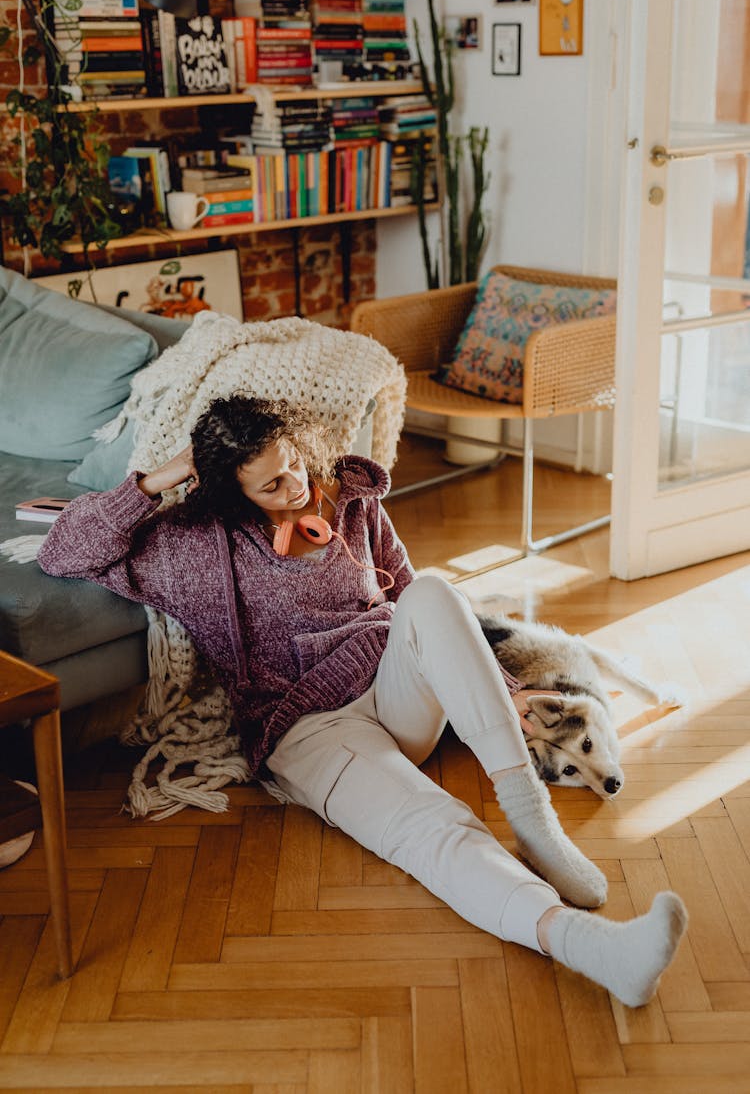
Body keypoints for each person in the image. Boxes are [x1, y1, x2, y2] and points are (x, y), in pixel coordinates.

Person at [38, 395, 688, 1008]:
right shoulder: (193, 546)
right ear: (231, 495)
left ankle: (533, 821)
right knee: (433, 825)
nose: (296, 486)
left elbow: (411, 597)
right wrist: (160, 478)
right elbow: (64, 550)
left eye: (293, 463)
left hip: (394, 692)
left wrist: (502, 687)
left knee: (433, 590)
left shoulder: (350, 497)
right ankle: (596, 950)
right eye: (271, 484)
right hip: (309, 728)